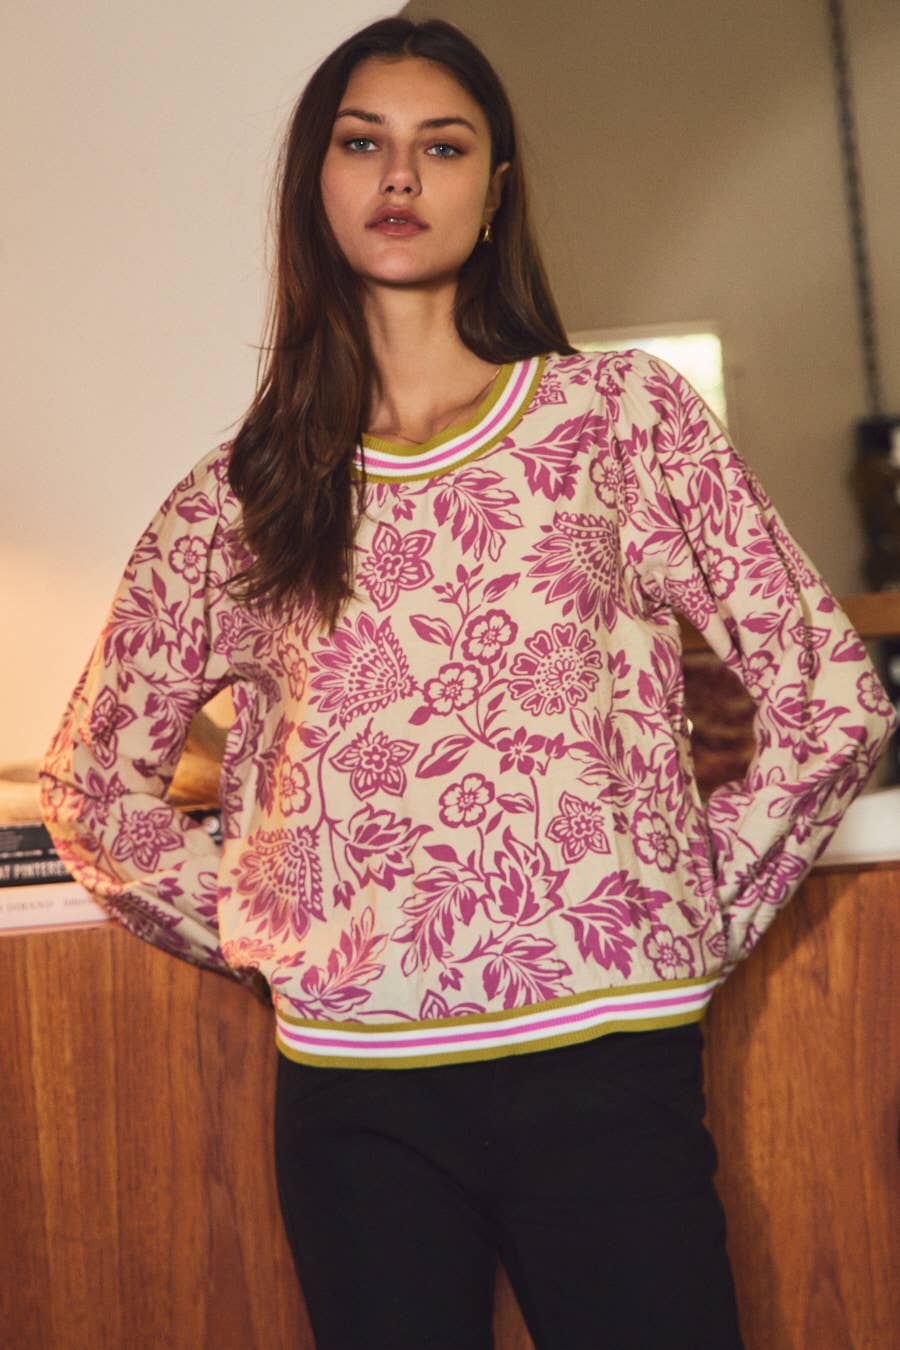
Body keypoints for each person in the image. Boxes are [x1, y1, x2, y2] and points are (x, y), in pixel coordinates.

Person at [40, 17, 895, 1350]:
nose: (400, 175)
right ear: (316, 185)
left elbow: (833, 699)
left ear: (494, 191)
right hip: (359, 1105)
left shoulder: (622, 423)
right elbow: (94, 790)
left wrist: (684, 910)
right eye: (362, 143)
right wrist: (277, 937)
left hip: (611, 1077)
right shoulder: (242, 498)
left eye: (441, 148)